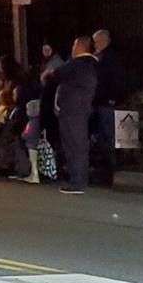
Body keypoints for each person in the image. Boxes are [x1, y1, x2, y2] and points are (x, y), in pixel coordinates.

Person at [52, 36, 98, 196]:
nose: (72, 48)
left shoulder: (79, 63)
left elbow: (57, 74)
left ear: (80, 46)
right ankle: (78, 179)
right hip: (78, 110)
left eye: (74, 44)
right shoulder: (90, 65)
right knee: (76, 145)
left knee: (74, 146)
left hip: (73, 111)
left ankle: (77, 182)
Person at [90, 29, 125, 186]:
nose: (94, 45)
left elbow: (115, 78)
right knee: (104, 137)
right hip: (101, 101)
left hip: (107, 101)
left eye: (96, 41)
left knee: (109, 136)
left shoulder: (110, 57)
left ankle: (111, 170)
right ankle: (106, 170)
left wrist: (113, 98)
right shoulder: (100, 57)